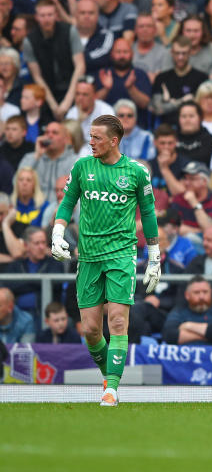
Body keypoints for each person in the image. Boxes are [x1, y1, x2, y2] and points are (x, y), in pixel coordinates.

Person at [50, 114, 160, 407]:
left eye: (96, 138)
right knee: (90, 330)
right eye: (90, 136)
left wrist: (154, 256)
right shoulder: (82, 166)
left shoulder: (136, 172)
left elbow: (147, 213)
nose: (91, 142)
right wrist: (58, 233)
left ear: (114, 141)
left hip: (121, 256)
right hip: (88, 258)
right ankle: (109, 376)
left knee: (118, 320)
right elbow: (67, 202)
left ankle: (111, 389)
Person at [23, 0, 85, 119]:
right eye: (42, 15)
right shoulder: (29, 41)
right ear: (36, 17)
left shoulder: (70, 31)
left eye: (50, 15)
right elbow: (37, 76)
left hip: (72, 89)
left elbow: (80, 66)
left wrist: (67, 101)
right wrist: (54, 106)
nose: (47, 19)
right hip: (48, 93)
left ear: (56, 15)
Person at [150, 35, 207, 126]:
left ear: (190, 53)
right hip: (166, 129)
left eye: (184, 53)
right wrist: (182, 101)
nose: (180, 57)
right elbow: (157, 109)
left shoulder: (202, 78)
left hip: (192, 128)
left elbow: (202, 109)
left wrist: (169, 102)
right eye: (177, 53)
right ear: (171, 52)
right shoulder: (161, 78)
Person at [162, 275, 212, 345]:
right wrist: (209, 336)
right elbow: (169, 336)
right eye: (196, 292)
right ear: (187, 295)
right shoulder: (179, 312)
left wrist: (188, 326)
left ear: (211, 293)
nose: (201, 297)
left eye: (205, 292)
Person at [168, 160, 212, 241]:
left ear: (205, 181)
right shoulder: (179, 199)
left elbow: (211, 230)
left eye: (192, 179)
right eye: (185, 178)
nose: (187, 183)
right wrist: (198, 231)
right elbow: (172, 227)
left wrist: (194, 203)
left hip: (207, 242)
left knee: (190, 237)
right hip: (181, 241)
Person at [19, 122, 76, 203]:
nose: (50, 136)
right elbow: (16, 183)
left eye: (55, 133)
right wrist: (37, 156)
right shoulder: (30, 157)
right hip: (33, 208)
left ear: (65, 139)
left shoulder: (74, 161)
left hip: (59, 208)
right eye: (47, 132)